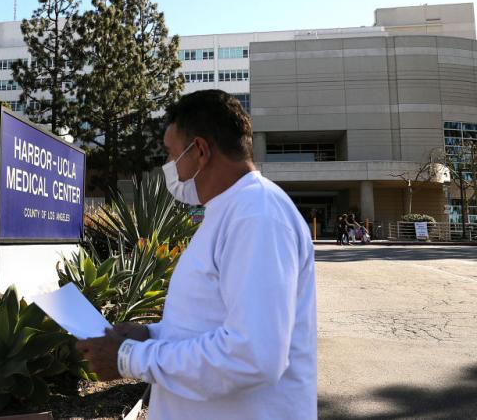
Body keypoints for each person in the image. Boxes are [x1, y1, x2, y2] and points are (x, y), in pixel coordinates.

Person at [76, 90, 317, 419]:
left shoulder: (257, 215)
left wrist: (129, 357)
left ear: (200, 150)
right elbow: (211, 323)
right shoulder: (228, 211)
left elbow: (252, 356)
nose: (169, 166)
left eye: (171, 153)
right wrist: (151, 334)